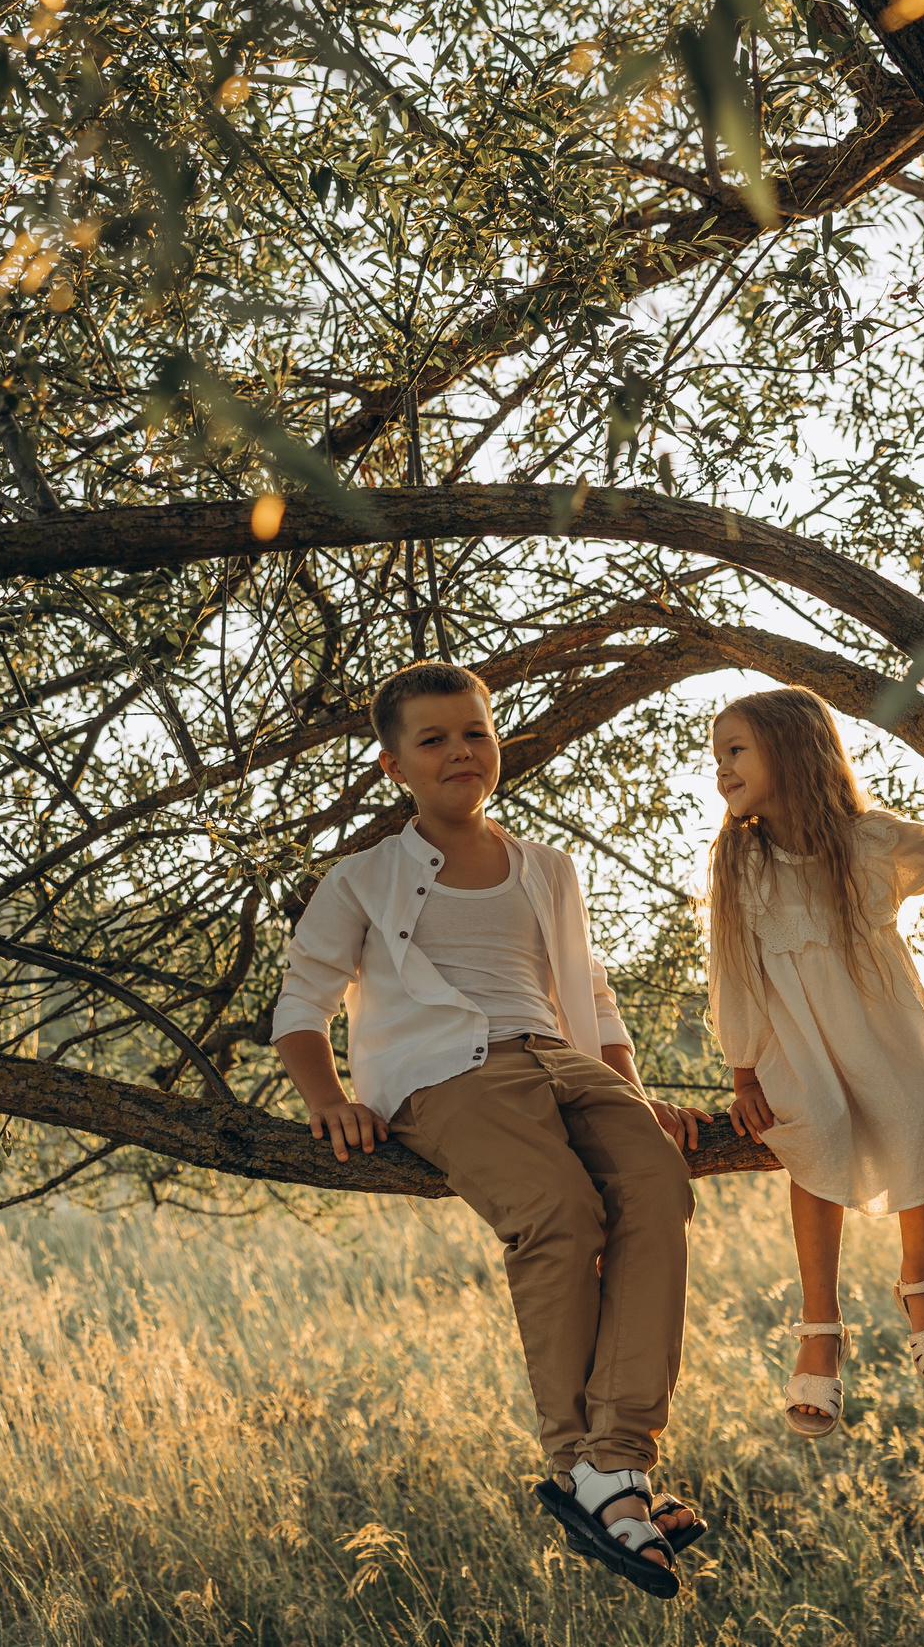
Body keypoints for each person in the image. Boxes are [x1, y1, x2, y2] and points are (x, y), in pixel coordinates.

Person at [270, 661, 710, 1599]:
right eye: (433, 739)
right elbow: (302, 1001)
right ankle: (585, 1466)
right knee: (558, 1210)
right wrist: (329, 1097)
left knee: (657, 1183)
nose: (460, 751)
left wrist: (635, 1096)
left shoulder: (548, 867)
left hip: (564, 1060)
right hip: (447, 1075)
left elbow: (591, 994)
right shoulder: (364, 877)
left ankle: (615, 1466)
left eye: (474, 731)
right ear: (395, 766)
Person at [707, 685, 924, 1436]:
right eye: (718, 756)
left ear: (793, 750)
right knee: (817, 1131)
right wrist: (743, 1071)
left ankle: (919, 1281)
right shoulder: (739, 858)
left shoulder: (869, 841)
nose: (722, 767)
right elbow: (732, 966)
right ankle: (819, 1327)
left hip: (881, 1029)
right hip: (793, 1042)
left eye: (735, 749)